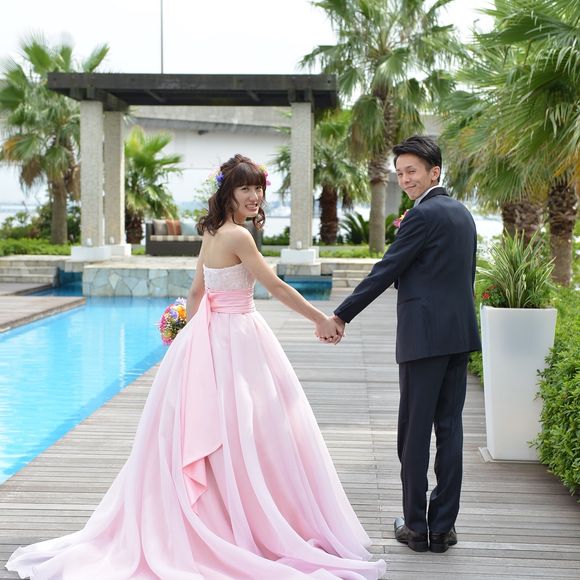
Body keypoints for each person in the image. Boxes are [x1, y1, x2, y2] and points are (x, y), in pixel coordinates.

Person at [6, 154, 386, 579]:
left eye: (259, 188)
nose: (255, 196)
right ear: (228, 192)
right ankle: (240, 518)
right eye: (245, 188)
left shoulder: (211, 230)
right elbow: (275, 286)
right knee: (246, 428)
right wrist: (320, 319)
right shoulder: (239, 236)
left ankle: (222, 510)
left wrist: (185, 336)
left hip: (210, 335)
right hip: (236, 336)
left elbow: (196, 291)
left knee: (222, 427)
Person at [328, 136, 481, 553]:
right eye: (399, 173)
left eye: (411, 171)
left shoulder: (422, 215)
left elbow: (386, 269)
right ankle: (443, 528)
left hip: (423, 339)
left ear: (435, 171)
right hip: (459, 337)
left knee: (413, 433)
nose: (405, 179)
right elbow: (463, 275)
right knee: (450, 431)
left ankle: (415, 527)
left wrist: (341, 315)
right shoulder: (463, 214)